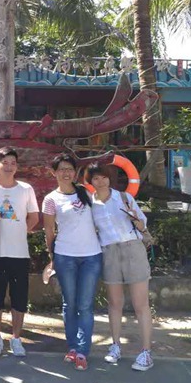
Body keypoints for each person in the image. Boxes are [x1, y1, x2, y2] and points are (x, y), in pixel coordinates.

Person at [86, 162, 154, 371]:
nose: (101, 182)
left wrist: (135, 218)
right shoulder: (90, 205)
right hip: (109, 252)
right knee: (115, 303)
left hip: (133, 248)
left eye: (104, 177)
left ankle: (146, 352)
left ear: (110, 178)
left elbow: (142, 225)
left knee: (140, 304)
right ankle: (115, 345)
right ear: (90, 182)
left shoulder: (124, 198)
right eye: (96, 178)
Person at [42, 153, 102, 371]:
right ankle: (73, 347)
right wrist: (52, 256)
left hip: (91, 256)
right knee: (70, 304)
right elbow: (49, 231)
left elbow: (101, 218)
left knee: (85, 305)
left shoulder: (86, 193)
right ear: (54, 173)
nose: (66, 173)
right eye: (61, 169)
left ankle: (83, 351)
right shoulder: (50, 199)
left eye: (69, 169)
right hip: (65, 256)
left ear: (75, 172)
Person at [0, 148, 39, 358]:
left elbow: (34, 217)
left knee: (19, 298)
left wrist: (20, 232)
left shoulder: (26, 189)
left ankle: (16, 338)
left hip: (19, 254)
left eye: (13, 162)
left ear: (17, 166)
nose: (9, 166)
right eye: (5, 162)